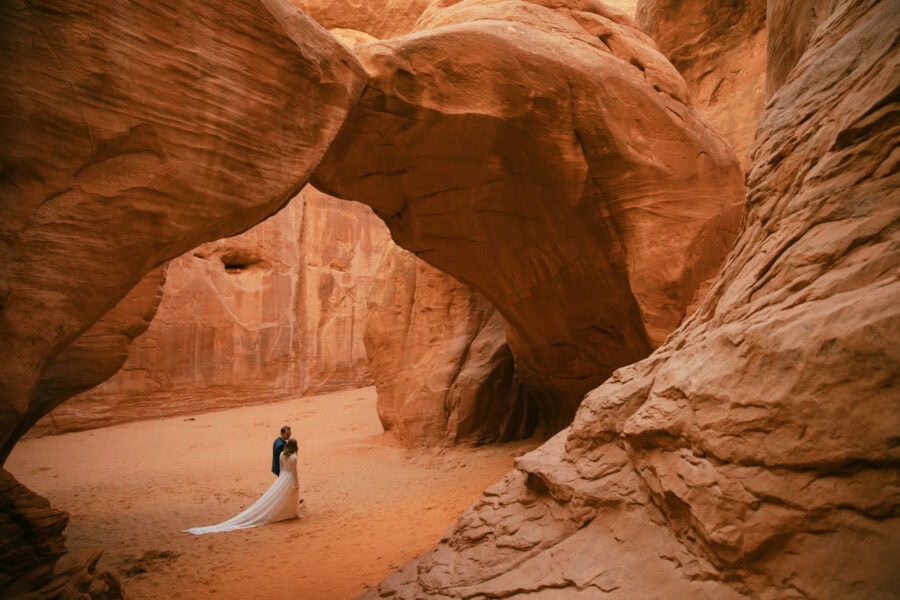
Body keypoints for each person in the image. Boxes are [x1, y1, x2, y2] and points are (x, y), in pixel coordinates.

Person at [184, 438, 302, 535]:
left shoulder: (282, 454)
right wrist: (296, 484)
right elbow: (294, 472)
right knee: (291, 496)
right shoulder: (294, 457)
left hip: (282, 478)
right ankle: (293, 513)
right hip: (289, 479)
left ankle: (290, 513)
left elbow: (281, 469)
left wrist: (280, 481)